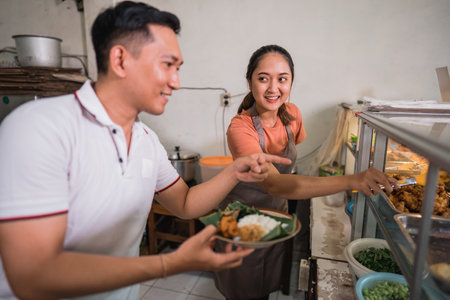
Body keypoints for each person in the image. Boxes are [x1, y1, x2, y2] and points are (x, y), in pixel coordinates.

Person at [0, 3, 292, 300]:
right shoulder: (38, 128)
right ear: (120, 59)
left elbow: (185, 203)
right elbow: (31, 275)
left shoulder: (146, 141)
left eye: (178, 69)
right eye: (167, 65)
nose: (176, 82)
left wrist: (233, 171)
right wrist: (169, 263)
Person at [213, 45, 396, 300]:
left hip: (276, 216)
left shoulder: (293, 116)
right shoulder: (240, 128)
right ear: (249, 81)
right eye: (263, 78)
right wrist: (354, 180)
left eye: (282, 79)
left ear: (291, 82)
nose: (273, 88)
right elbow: (275, 184)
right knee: (244, 291)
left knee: (265, 286)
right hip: (244, 221)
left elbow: (288, 160)